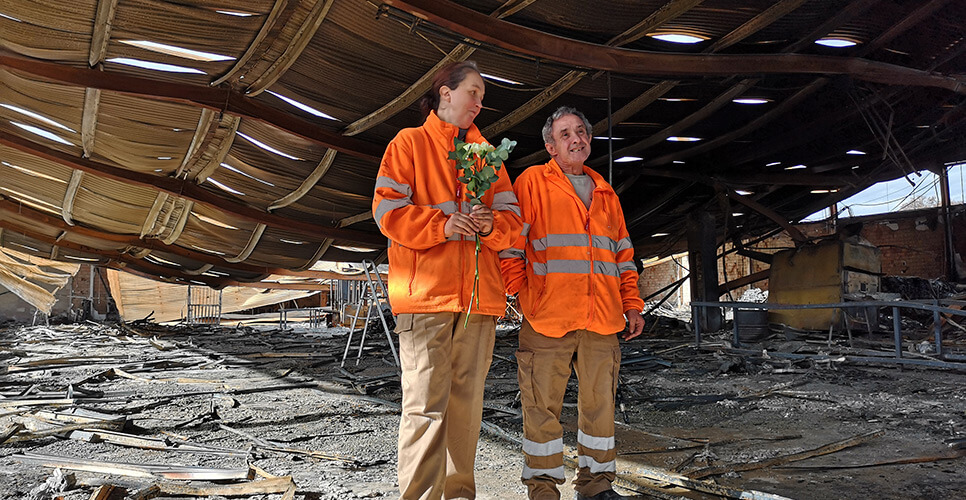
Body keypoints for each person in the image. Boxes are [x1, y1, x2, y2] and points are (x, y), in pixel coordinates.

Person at [372, 61, 523, 500]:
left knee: (466, 410)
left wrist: (490, 224)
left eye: (481, 94)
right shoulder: (409, 144)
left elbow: (515, 225)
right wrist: (444, 225)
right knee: (425, 409)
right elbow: (387, 213)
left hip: (478, 301)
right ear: (445, 94)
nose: (480, 102)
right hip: (426, 300)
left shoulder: (488, 156)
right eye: (473, 92)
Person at [500, 106, 645, 500]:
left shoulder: (605, 192)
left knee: (600, 407)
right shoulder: (532, 182)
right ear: (550, 146)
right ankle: (543, 490)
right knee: (541, 408)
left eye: (580, 131)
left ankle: (596, 488)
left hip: (602, 319)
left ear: (590, 139)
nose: (575, 138)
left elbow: (623, 256)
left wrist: (632, 304)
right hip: (548, 317)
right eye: (564, 134)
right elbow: (512, 244)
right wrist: (523, 293)